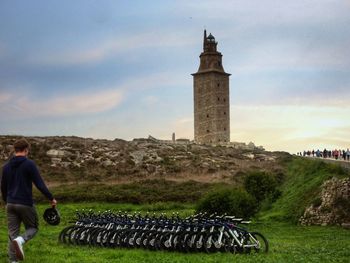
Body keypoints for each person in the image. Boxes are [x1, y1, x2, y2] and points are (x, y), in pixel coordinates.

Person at [1, 138, 57, 262]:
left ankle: (13, 261)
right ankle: (20, 240)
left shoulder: (6, 167)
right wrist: (51, 198)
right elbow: (39, 184)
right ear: (26, 150)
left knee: (12, 234)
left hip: (10, 204)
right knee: (33, 228)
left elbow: (3, 187)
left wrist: (7, 201)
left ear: (14, 150)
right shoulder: (29, 164)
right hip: (25, 203)